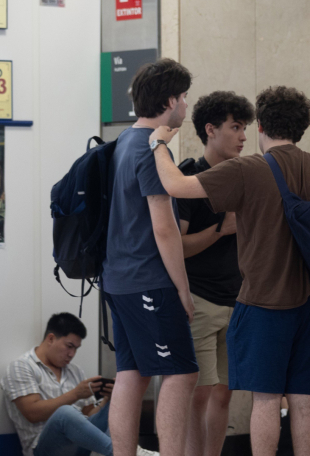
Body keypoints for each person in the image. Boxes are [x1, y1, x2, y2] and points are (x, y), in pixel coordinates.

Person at [149, 86, 310, 456]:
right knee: (303, 396)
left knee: (266, 399)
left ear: (261, 125)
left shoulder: (247, 169)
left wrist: (158, 145)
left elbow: (174, 184)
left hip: (262, 301)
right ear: (302, 126)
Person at [103, 58, 199, 456]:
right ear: (171, 100)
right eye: (185, 99)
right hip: (150, 280)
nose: (187, 107)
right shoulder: (150, 150)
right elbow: (164, 227)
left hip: (118, 279)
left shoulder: (124, 140)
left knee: (131, 373)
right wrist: (183, 288)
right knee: (181, 373)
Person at [179, 91, 254, 456]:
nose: (243, 136)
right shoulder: (187, 179)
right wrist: (219, 231)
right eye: (235, 127)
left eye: (245, 128)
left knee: (224, 393)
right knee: (198, 392)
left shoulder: (243, 178)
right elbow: (175, 245)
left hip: (236, 300)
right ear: (210, 130)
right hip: (198, 299)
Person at [1, 314, 133, 456]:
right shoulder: (21, 366)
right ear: (51, 339)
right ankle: (125, 453)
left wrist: (108, 399)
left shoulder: (75, 371)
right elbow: (32, 413)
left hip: (78, 446)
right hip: (41, 448)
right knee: (65, 413)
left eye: (76, 348)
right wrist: (75, 394)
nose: (72, 354)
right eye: (69, 346)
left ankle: (124, 449)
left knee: (114, 406)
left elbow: (88, 416)